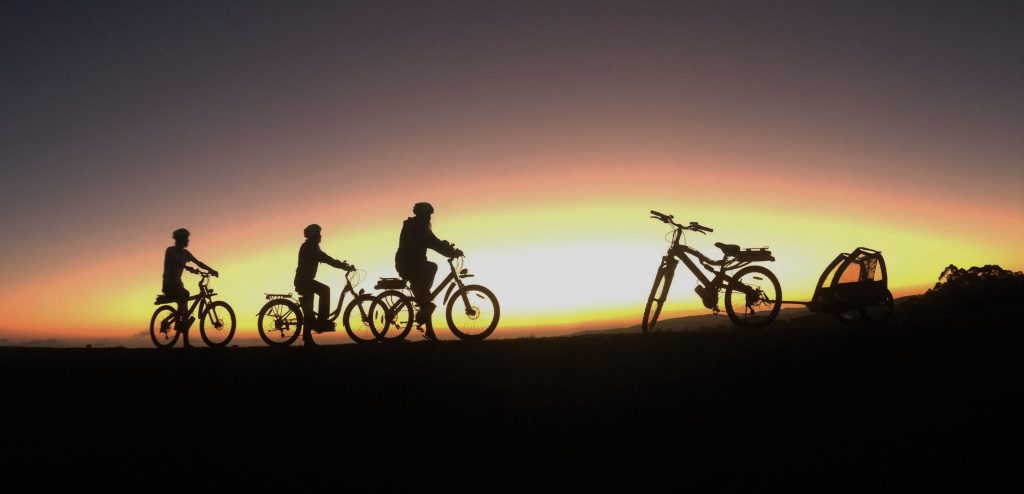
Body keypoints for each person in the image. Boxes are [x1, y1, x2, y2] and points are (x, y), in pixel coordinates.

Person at [395, 202, 462, 339]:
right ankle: (424, 300)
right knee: (432, 268)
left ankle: (429, 331)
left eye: (430, 215)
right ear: (421, 214)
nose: (430, 217)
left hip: (414, 264)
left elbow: (433, 240)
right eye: (428, 214)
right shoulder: (416, 226)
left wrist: (449, 249)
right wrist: (450, 251)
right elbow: (431, 242)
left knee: (426, 298)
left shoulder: (419, 226)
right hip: (409, 264)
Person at [295, 224, 354, 346]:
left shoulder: (309, 246)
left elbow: (325, 258)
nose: (321, 236)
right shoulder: (311, 247)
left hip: (304, 280)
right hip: (305, 281)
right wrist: (343, 266)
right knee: (325, 290)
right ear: (314, 236)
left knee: (309, 313)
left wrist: (342, 265)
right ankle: (322, 322)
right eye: (318, 234)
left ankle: (308, 339)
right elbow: (327, 259)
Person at [162, 228, 218, 348]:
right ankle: (178, 323)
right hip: (169, 284)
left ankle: (186, 343)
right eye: (185, 238)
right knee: (185, 294)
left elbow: (198, 263)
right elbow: (176, 262)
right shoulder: (170, 251)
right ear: (179, 239)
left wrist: (211, 270)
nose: (187, 240)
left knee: (185, 312)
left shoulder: (186, 253)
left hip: (178, 284)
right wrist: (187, 267)